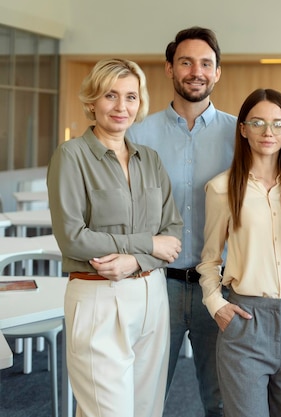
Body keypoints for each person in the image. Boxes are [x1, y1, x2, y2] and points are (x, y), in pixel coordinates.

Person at [47, 58, 183, 417]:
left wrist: (137, 260)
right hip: (98, 297)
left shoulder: (150, 160)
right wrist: (146, 245)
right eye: (111, 95)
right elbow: (74, 238)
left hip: (153, 294)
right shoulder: (71, 156)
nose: (122, 107)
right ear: (92, 101)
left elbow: (172, 233)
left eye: (131, 97)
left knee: (146, 410)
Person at [197, 88, 281, 417]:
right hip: (246, 322)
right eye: (257, 122)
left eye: (277, 124)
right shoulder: (221, 189)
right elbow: (210, 259)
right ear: (243, 128)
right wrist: (215, 304)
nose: (268, 132)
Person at [126, 26, 236, 416]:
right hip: (156, 284)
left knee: (222, 401)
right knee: (145, 398)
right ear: (170, 68)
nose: (196, 71)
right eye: (186, 62)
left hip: (220, 288)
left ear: (218, 72)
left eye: (206, 63)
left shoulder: (240, 134)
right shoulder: (138, 135)